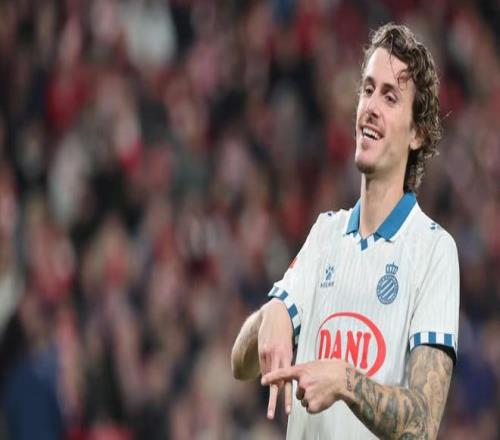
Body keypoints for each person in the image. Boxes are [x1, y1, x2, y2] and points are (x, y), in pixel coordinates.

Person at [231, 23, 459, 439]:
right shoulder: (326, 234)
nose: (371, 106)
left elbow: (423, 425)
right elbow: (240, 363)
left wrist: (346, 380)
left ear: (417, 133)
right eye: (368, 90)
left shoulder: (434, 250)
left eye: (390, 97)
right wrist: (273, 313)